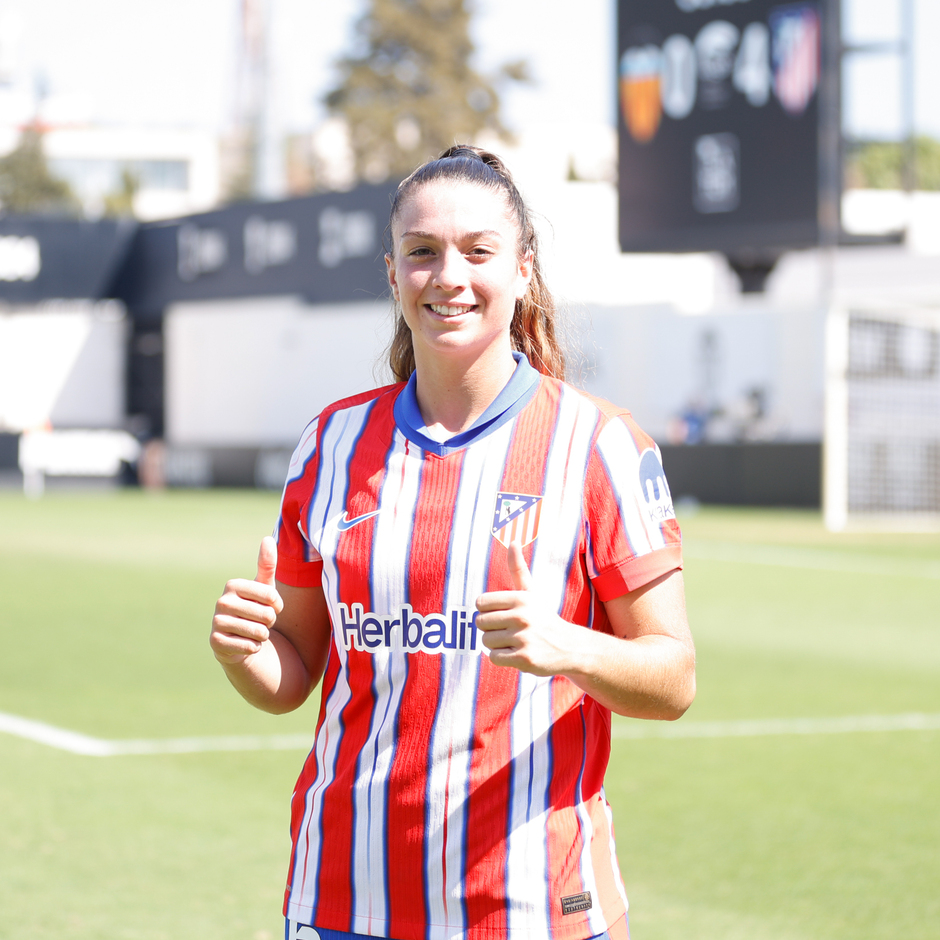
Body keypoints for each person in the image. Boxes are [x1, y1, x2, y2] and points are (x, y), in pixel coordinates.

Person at [210, 145, 695, 940]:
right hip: (344, 900)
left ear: (524, 268)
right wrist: (245, 653)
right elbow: (291, 676)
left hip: (532, 907)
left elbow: (673, 679)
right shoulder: (330, 443)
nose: (449, 276)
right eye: (422, 252)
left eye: (478, 251)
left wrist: (565, 646)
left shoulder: (599, 444)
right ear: (393, 273)